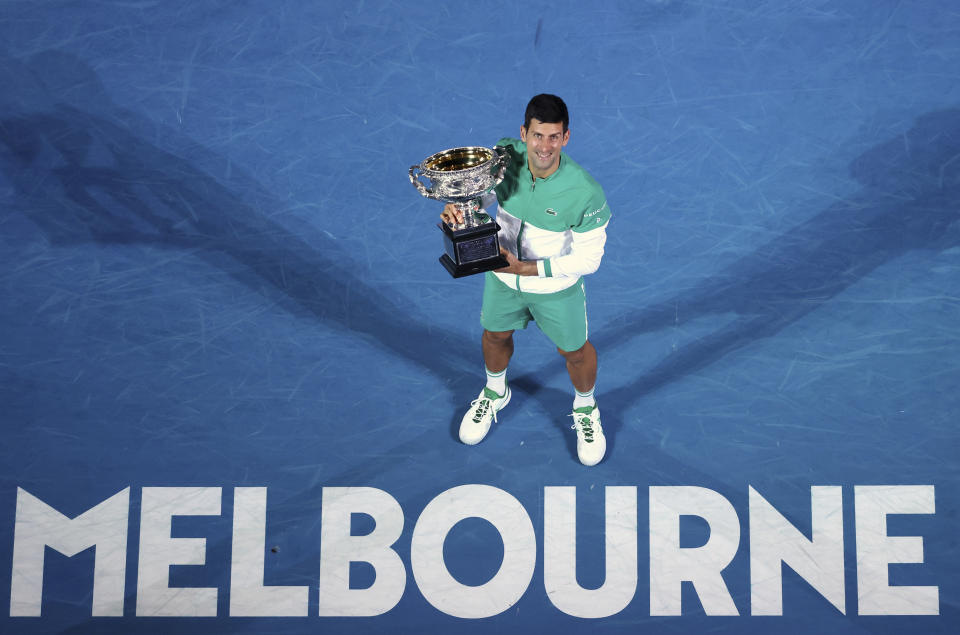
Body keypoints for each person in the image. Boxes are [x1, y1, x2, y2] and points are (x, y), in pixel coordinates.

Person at [441, 94, 611, 466]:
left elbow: (589, 259)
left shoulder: (585, 192)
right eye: (537, 136)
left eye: (553, 137)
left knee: (574, 352)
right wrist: (461, 205)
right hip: (503, 279)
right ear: (524, 133)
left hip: (555, 288)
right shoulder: (504, 156)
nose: (544, 147)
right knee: (495, 335)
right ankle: (495, 390)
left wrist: (528, 269)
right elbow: (484, 196)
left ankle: (585, 408)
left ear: (566, 138)